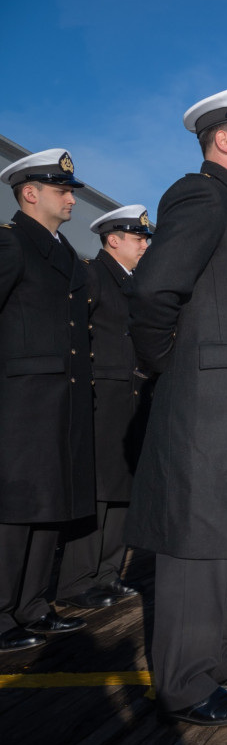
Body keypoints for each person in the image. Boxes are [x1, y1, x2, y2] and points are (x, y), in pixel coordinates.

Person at [125, 85, 227, 726]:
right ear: (225, 138)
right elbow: (153, 293)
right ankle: (186, 682)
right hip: (208, 398)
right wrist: (176, 369)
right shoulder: (199, 194)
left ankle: (222, 659)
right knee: (197, 544)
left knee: (226, 536)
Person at [0, 149, 93, 652]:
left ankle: (33, 605)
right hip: (21, 402)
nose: (70, 196)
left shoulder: (63, 253)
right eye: (61, 189)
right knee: (14, 514)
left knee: (49, 506)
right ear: (29, 193)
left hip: (64, 399)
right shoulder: (11, 245)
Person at [57, 205, 154, 612]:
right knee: (97, 491)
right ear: (112, 239)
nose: (145, 244)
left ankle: (107, 573)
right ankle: (77, 581)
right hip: (103, 397)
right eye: (138, 238)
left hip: (131, 396)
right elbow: (74, 332)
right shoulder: (92, 275)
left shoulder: (135, 283)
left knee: (122, 490)